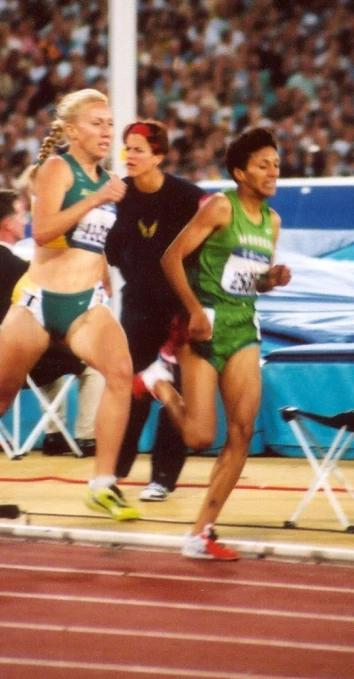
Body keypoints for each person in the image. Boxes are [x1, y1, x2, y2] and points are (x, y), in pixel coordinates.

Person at [0, 88, 140, 521]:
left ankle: (103, 483)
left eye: (110, 123)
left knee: (119, 374)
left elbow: (92, 242)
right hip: (38, 303)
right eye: (97, 122)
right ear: (72, 132)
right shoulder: (58, 169)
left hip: (85, 304)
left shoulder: (106, 178)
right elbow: (42, 232)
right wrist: (98, 198)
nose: (107, 130)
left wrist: (102, 276)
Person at [140, 126, 291, 559]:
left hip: (243, 329)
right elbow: (170, 256)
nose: (272, 171)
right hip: (203, 327)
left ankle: (201, 532)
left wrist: (271, 279)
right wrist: (191, 312)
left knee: (242, 431)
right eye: (263, 164)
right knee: (201, 435)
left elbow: (252, 280)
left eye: (276, 164)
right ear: (241, 173)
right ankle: (160, 385)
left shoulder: (272, 221)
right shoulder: (221, 208)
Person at [105, 120, 205, 501]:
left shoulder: (185, 196)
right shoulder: (118, 194)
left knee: (173, 392)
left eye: (138, 150)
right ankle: (112, 472)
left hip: (178, 309)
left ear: (159, 156)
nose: (129, 156)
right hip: (137, 307)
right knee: (129, 389)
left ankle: (162, 477)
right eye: (127, 149)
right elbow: (105, 245)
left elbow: (215, 226)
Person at [0, 186, 101, 454]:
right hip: (16, 359)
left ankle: (54, 434)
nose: (26, 221)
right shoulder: (21, 270)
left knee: (51, 359)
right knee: (91, 363)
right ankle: (86, 436)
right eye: (22, 215)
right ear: (7, 224)